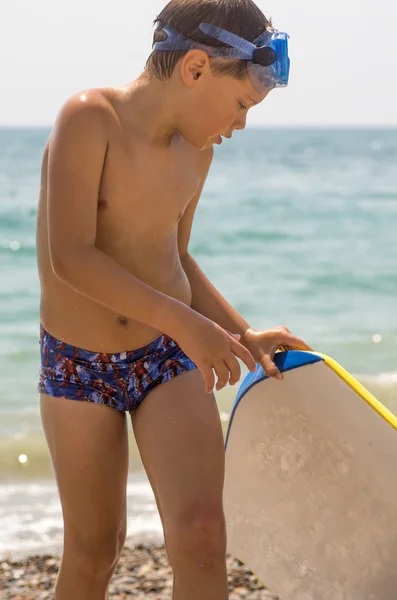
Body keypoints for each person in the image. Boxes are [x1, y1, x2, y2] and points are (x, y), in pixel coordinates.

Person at [36, 0, 312, 598]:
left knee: (203, 534)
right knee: (94, 550)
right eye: (241, 104)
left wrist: (241, 334)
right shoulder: (89, 120)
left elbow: (177, 258)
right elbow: (72, 257)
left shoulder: (198, 151)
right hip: (78, 364)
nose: (240, 125)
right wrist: (185, 323)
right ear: (194, 69)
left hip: (165, 355)